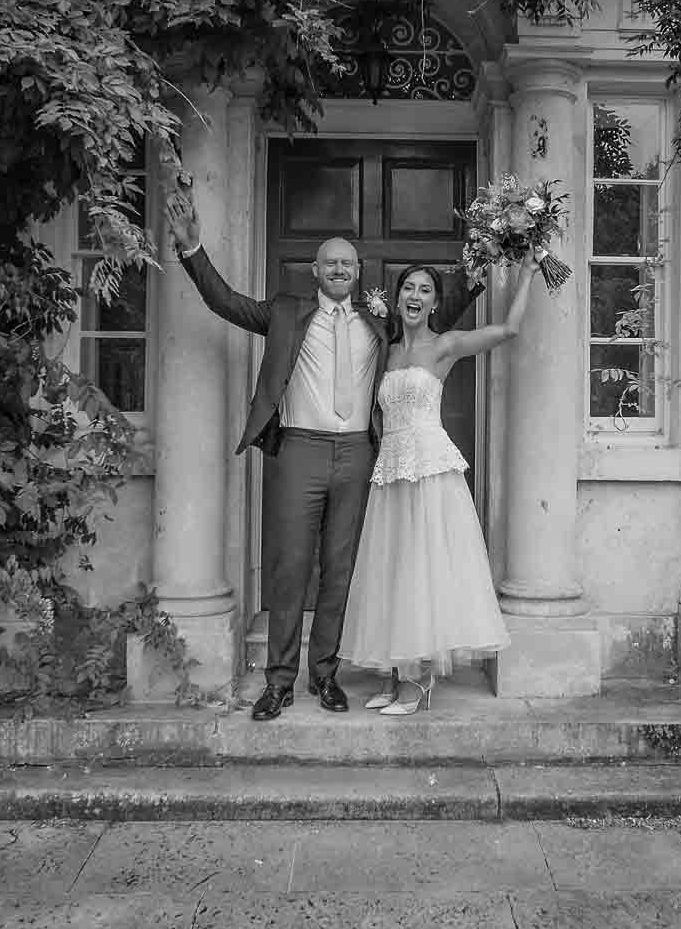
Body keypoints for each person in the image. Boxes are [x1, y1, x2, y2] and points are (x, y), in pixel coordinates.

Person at [162, 184, 482, 721]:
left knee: (341, 568)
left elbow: (438, 314)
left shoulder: (380, 320)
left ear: (358, 274)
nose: (339, 270)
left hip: (359, 453)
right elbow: (226, 302)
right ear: (315, 270)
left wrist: (488, 259)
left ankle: (325, 675)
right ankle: (280, 682)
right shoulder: (285, 313)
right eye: (330, 262)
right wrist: (193, 249)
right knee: (290, 567)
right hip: (300, 450)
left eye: (348, 264)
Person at [339, 255, 534, 715]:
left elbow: (508, 330)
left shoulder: (445, 345)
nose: (415, 296)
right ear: (397, 297)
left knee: (421, 569)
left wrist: (525, 272)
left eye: (425, 290)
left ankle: (419, 680)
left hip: (429, 466)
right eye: (409, 288)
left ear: (434, 303)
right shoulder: (386, 352)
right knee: (392, 568)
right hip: (392, 467)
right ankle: (395, 672)